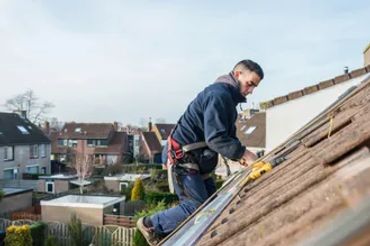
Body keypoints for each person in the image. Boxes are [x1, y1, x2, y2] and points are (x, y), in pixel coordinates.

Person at [137, 59, 264, 245]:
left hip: (197, 160)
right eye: (250, 84)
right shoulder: (218, 96)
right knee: (197, 208)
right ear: (238, 75)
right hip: (183, 160)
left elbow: (227, 137)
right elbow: (216, 139)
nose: (251, 90)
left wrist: (241, 155)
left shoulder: (226, 101)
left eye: (254, 87)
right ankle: (151, 225)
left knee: (214, 206)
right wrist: (244, 154)